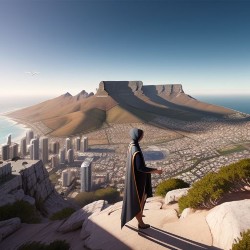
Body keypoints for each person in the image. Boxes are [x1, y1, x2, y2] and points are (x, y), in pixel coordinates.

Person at [121, 128, 162, 229]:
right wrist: (156, 170)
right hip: (138, 181)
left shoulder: (131, 145)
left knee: (139, 199)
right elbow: (140, 167)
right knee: (139, 200)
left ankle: (138, 214)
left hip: (135, 177)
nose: (142, 137)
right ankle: (140, 223)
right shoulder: (136, 150)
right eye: (142, 135)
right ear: (138, 136)